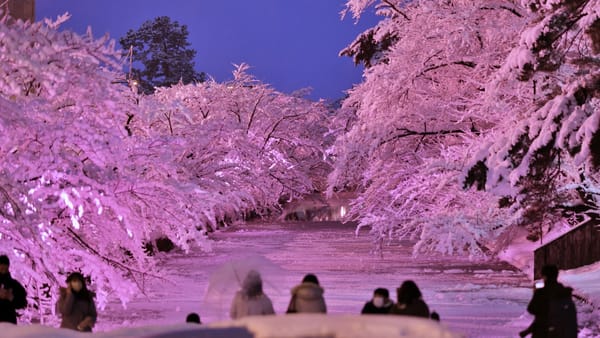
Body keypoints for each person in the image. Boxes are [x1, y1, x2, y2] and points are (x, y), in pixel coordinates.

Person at [520, 264, 577, 338]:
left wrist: (536, 294)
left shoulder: (542, 292)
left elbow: (531, 309)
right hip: (560, 333)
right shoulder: (564, 292)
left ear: (544, 276)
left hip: (542, 332)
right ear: (556, 275)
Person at [0, 255, 27, 324]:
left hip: (9, 322)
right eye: (1, 265)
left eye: (5, 265)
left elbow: (23, 303)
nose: (3, 267)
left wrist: (11, 298)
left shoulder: (14, 284)